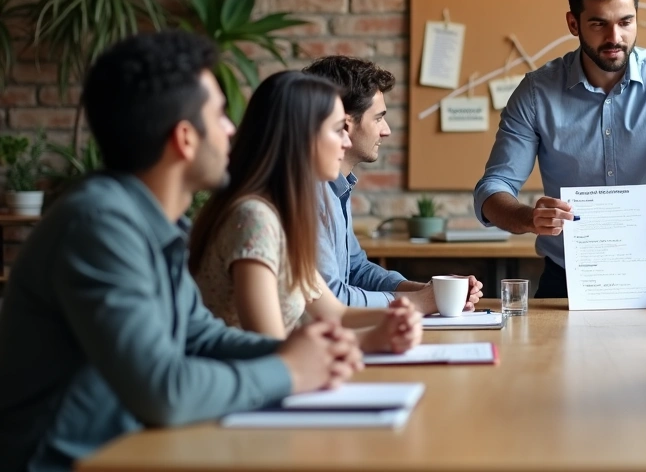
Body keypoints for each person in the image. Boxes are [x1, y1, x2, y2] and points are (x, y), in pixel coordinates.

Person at [0, 32, 361, 472]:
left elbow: (200, 337)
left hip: (130, 451)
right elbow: (164, 391)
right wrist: (290, 371)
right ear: (185, 138)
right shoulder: (98, 225)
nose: (232, 128)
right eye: (220, 115)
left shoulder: (155, 224)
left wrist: (299, 350)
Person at [473, 0, 646, 311]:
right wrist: (529, 218)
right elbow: (491, 190)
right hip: (563, 283)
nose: (614, 37)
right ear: (573, 23)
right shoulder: (535, 92)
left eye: (626, 22)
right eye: (598, 24)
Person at [190, 71, 423, 354]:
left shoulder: (283, 214)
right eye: (338, 130)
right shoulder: (254, 219)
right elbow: (273, 353)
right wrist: (374, 336)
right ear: (302, 136)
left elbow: (334, 313)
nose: (346, 142)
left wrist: (398, 316)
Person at [302, 56, 482, 313]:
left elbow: (356, 270)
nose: (386, 130)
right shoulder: (310, 192)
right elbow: (332, 298)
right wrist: (420, 302)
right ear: (345, 123)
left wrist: (429, 292)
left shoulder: (338, 187)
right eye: (378, 118)